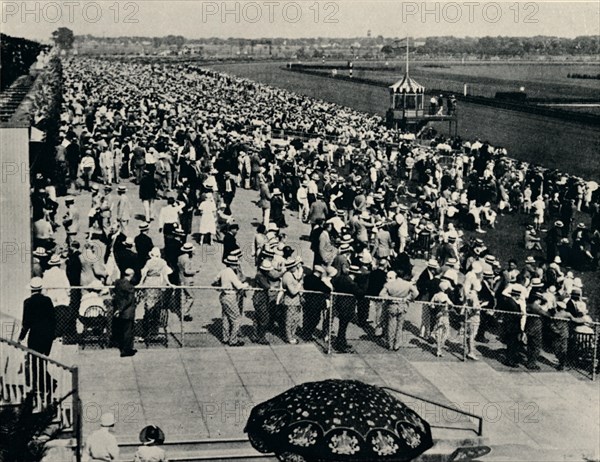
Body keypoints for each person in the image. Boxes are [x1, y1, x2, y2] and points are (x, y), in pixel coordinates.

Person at [212, 255, 249, 346]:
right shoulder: (231, 273)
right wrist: (246, 285)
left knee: (225, 317)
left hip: (223, 296)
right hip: (230, 296)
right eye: (236, 265)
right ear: (232, 265)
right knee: (236, 318)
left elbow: (214, 281)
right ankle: (233, 340)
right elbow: (238, 285)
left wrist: (221, 286)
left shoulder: (223, 271)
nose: (237, 266)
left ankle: (225, 337)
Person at [379, 270, 419, 351]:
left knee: (391, 325)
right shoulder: (408, 284)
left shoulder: (389, 284)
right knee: (400, 326)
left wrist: (390, 298)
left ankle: (390, 344)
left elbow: (381, 294)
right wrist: (408, 298)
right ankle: (397, 344)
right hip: (403, 306)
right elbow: (416, 292)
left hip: (392, 306)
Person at [18, 278, 56, 356]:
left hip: (34, 335)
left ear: (31, 289)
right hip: (47, 335)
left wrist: (21, 338)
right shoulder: (47, 300)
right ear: (41, 289)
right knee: (44, 359)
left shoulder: (27, 302)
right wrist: (52, 335)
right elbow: (53, 319)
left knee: (34, 360)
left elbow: (26, 323)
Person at [113, 269, 137, 357]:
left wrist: (117, 309)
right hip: (127, 311)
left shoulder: (118, 283)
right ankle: (126, 350)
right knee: (128, 332)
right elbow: (128, 300)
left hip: (119, 310)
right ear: (131, 275)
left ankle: (124, 347)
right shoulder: (129, 287)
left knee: (122, 330)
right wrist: (120, 309)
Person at [281, 257, 304, 344]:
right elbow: (293, 291)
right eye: (295, 265)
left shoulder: (290, 275)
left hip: (295, 302)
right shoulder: (288, 276)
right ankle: (289, 337)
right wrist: (299, 284)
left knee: (295, 320)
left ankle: (292, 335)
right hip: (290, 301)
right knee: (289, 320)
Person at [178, 243, 199, 322]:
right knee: (191, 297)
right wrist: (195, 271)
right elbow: (187, 271)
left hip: (181, 279)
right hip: (187, 279)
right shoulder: (187, 260)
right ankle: (184, 313)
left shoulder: (180, 257)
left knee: (183, 297)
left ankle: (184, 312)